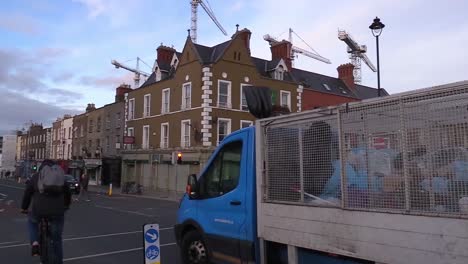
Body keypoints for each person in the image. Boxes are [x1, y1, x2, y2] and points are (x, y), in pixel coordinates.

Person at [21, 159, 71, 263]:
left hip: (39, 211)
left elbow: (27, 194)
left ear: (42, 167)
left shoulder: (36, 176)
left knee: (32, 221)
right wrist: (66, 205)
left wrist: (24, 207)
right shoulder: (60, 177)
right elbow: (68, 193)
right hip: (57, 212)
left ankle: (35, 242)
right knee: (57, 240)